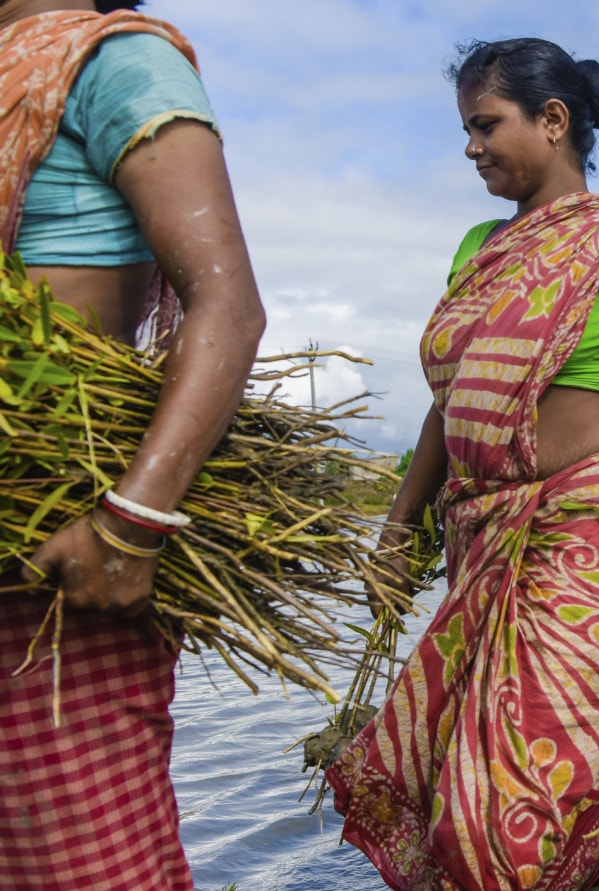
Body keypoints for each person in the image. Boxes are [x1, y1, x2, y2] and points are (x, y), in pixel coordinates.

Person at [325, 39, 599, 891]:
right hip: (478, 529)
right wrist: (397, 531)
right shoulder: (479, 244)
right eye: (466, 129)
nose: (471, 146)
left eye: (485, 125)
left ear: (554, 121)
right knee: (467, 771)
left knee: (490, 805)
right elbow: (449, 402)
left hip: (590, 527)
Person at [0, 2, 267, 888]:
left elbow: (227, 304)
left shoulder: (113, 60)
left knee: (83, 862)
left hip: (54, 538)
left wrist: (129, 523)